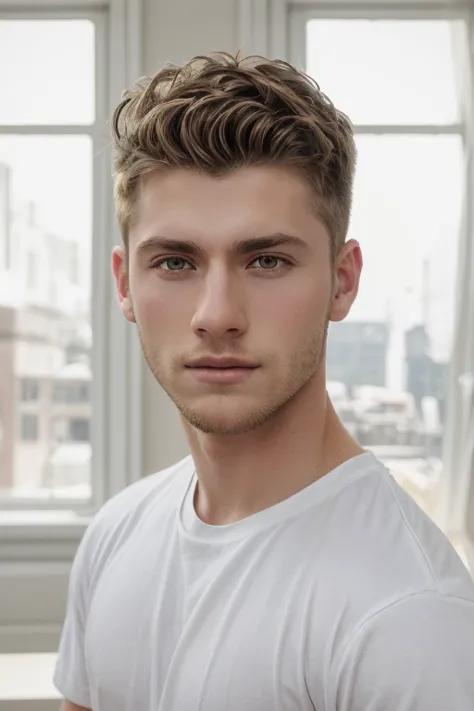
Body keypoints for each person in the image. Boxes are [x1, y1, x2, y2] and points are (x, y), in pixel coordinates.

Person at [54, 52, 474, 711]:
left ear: (342, 280)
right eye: (174, 261)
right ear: (123, 283)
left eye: (267, 259)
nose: (217, 315)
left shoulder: (410, 618)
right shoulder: (115, 534)